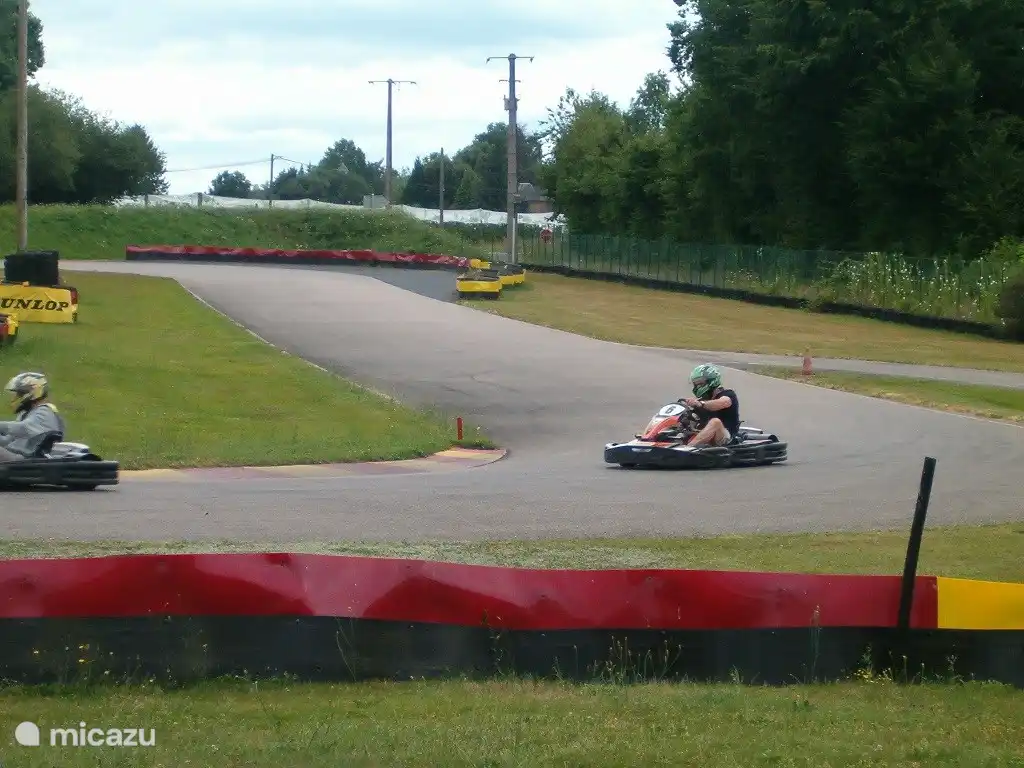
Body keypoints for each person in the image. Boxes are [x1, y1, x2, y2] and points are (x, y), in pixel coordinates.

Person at [0, 371, 65, 462]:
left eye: (19, 394)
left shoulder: (45, 411)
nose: (15, 398)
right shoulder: (26, 413)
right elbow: (8, 441)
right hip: (17, 456)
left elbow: (23, 428)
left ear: (31, 392)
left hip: (28, 460)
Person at [680, 363, 740, 448]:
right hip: (706, 436)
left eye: (700, 384)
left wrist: (701, 404)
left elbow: (724, 402)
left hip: (727, 438)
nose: (697, 387)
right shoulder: (703, 400)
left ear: (712, 381)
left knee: (715, 422)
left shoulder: (728, 394)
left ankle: (687, 448)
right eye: (696, 384)